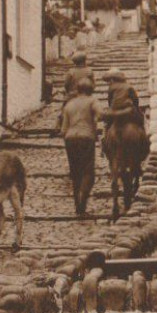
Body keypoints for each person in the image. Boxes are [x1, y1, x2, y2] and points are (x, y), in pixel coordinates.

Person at [60, 79, 104, 217]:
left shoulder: (69, 104)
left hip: (70, 138)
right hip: (86, 137)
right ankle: (83, 201)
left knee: (75, 172)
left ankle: (77, 205)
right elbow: (101, 114)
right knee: (88, 172)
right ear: (91, 90)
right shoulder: (92, 101)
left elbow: (63, 129)